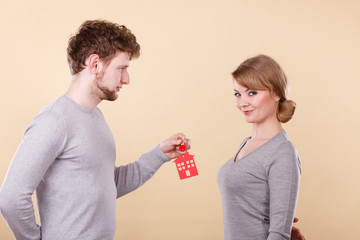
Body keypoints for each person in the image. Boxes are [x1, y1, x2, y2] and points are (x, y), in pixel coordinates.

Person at [0, 20, 190, 240]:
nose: (127, 79)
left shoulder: (96, 117)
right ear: (95, 64)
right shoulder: (54, 121)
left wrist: (159, 154)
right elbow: (11, 197)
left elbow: (108, 184)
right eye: (122, 68)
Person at [217, 54, 303, 240]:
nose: (242, 102)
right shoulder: (247, 143)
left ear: (276, 93)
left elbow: (279, 235)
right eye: (238, 94)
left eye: (252, 93)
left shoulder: (283, 153)